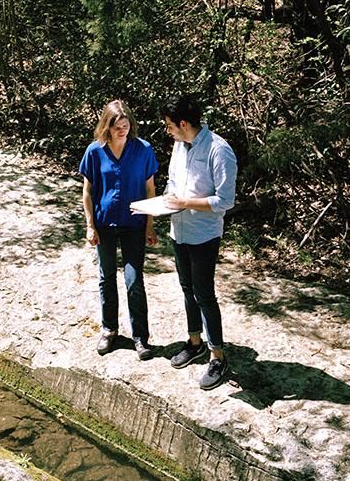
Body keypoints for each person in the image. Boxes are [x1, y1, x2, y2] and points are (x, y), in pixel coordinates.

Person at [162, 94, 237, 390]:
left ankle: (218, 357)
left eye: (169, 125)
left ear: (183, 123)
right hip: (178, 231)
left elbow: (225, 200)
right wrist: (167, 200)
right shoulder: (179, 146)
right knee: (186, 289)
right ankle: (195, 343)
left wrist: (186, 203)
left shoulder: (219, 150)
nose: (168, 131)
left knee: (204, 294)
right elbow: (172, 182)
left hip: (204, 235)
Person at [80, 99, 159, 360]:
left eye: (126, 125)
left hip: (134, 224)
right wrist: (90, 226)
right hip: (104, 224)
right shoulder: (94, 151)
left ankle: (140, 338)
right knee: (106, 277)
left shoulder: (143, 149)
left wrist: (150, 224)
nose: (122, 130)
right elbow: (88, 191)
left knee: (134, 280)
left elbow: (150, 189)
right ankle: (109, 330)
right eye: (117, 127)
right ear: (107, 126)